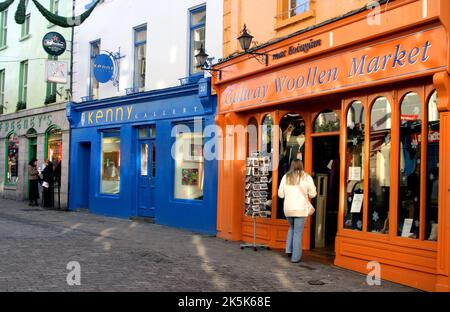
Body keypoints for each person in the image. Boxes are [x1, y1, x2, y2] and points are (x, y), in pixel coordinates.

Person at [278, 159, 317, 263]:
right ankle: (295, 258)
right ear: (301, 165)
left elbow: (280, 194)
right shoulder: (307, 177)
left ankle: (289, 250)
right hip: (300, 209)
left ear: (291, 165)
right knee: (298, 233)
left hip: (288, 209)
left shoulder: (285, 177)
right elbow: (313, 194)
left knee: (292, 228)